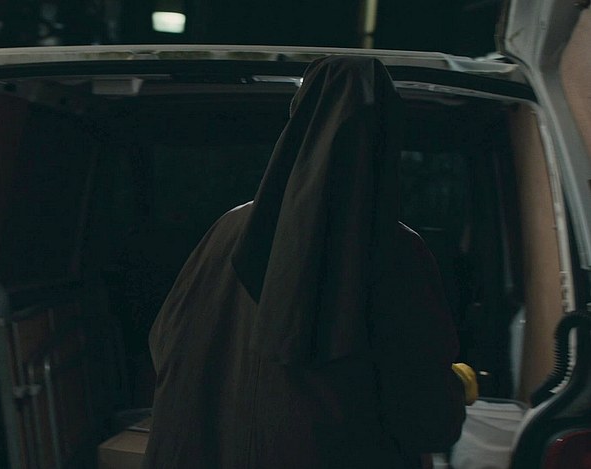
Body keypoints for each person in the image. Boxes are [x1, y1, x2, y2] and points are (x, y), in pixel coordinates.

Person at [143, 56, 466, 468]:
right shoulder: (396, 252)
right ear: (386, 140)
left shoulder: (226, 230)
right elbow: (429, 420)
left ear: (296, 130)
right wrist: (457, 388)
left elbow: (166, 347)